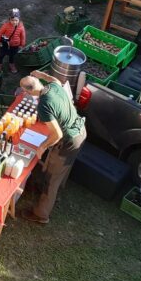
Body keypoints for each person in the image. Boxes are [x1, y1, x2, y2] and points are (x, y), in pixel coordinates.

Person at [18, 74, 86, 225]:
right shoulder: (52, 87)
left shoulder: (43, 104)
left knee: (52, 179)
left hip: (69, 140)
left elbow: (57, 134)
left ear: (28, 92)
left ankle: (41, 215)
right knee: (62, 170)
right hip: (80, 129)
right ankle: (56, 187)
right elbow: (55, 80)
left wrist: (42, 147)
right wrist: (41, 74)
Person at [0, 8, 26, 74]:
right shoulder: (5, 25)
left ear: (19, 19)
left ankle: (11, 64)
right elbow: (0, 32)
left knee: (12, 55)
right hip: (5, 43)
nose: (14, 22)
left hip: (15, 45)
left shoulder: (21, 27)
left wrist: (22, 44)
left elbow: (23, 36)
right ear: (9, 19)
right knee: (1, 54)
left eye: (16, 20)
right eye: (12, 20)